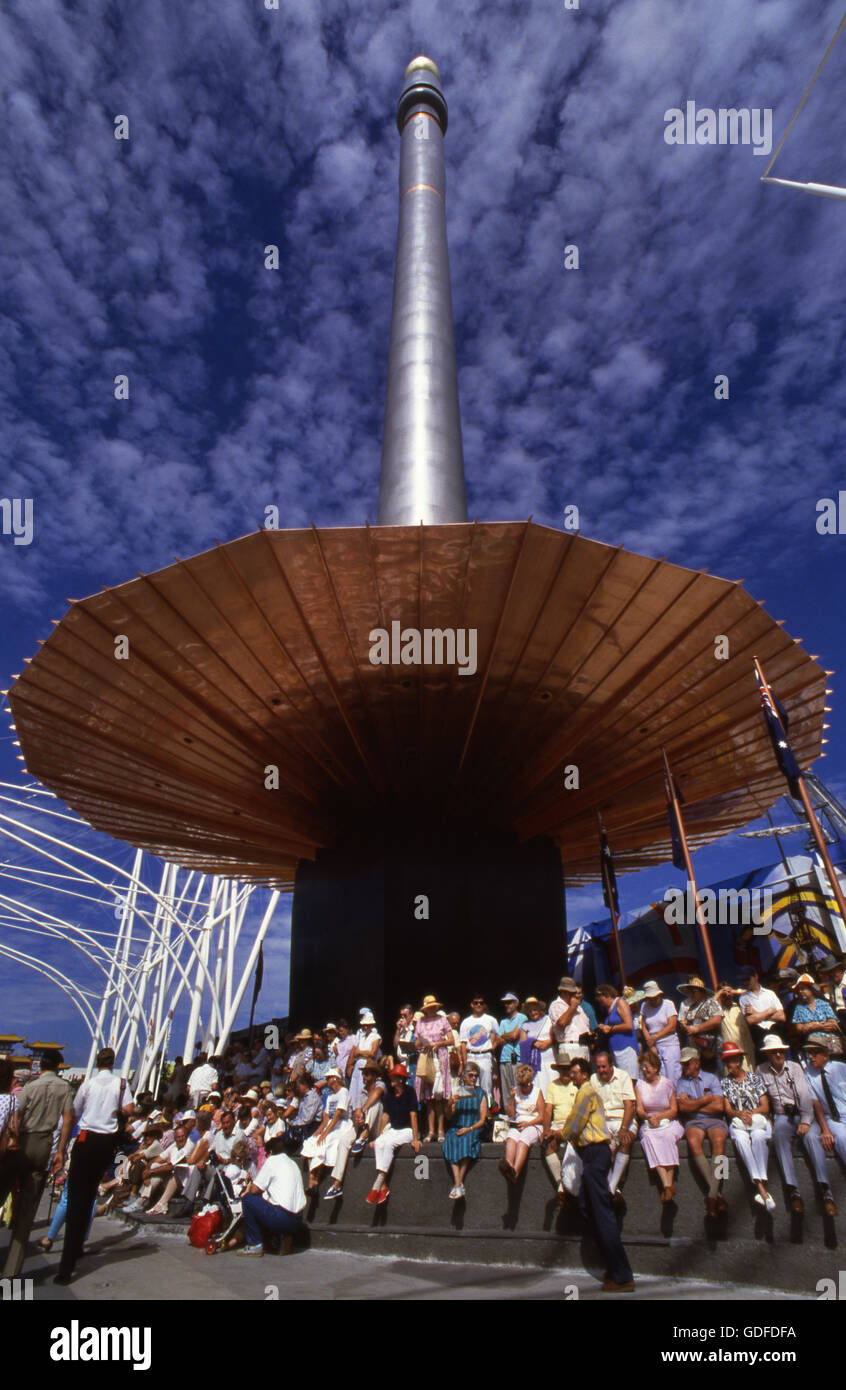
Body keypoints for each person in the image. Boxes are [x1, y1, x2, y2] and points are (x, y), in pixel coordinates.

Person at [54, 1046, 134, 1285]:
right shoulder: (121, 1084)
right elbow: (129, 1109)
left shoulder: (88, 1084)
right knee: (89, 1196)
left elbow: (76, 1111)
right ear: (113, 1062)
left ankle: (66, 1264)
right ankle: (77, 1246)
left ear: (98, 1062)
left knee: (76, 1198)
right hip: (105, 1144)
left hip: (86, 1139)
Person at [558, 1057, 635, 1293]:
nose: (571, 1076)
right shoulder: (588, 1092)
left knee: (602, 1216)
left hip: (595, 1153)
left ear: (584, 1074)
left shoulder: (585, 1092)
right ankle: (613, 1267)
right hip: (590, 1154)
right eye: (570, 1073)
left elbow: (574, 1124)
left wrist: (558, 1136)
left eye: (574, 1072)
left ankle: (622, 1276)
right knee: (586, 1206)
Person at [0, 1048, 73, 1277]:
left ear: (40, 1066)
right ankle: (10, 1279)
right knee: (26, 1216)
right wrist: (60, 1151)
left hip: (21, 1143)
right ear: (58, 1067)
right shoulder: (65, 1088)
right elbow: (69, 1119)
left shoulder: (30, 1087)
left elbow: (16, 1116)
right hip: (43, 1145)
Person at [756, 1032, 833, 1215]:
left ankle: (826, 1192)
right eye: (774, 1052)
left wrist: (806, 1121)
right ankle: (793, 1191)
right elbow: (762, 1098)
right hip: (782, 1115)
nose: (779, 1055)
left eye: (781, 1051)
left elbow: (805, 1096)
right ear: (768, 1054)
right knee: (780, 1137)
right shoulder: (761, 1070)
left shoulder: (795, 1067)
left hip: (802, 1112)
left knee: (813, 1138)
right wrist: (769, 1121)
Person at [720, 1039, 774, 1210]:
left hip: (756, 1120)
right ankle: (762, 1188)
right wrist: (740, 1114)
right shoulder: (725, 1082)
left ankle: (760, 1187)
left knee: (758, 1137)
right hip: (739, 1122)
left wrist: (751, 1114)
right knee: (742, 1140)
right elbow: (728, 1110)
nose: (729, 1064)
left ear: (739, 1061)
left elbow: (765, 1106)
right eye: (726, 1061)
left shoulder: (754, 1078)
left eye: (731, 1061)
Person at [676, 1047, 728, 1216]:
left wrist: (693, 1104)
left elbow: (720, 1106)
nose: (684, 1068)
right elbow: (682, 1107)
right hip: (694, 1121)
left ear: (696, 1063)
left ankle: (712, 1195)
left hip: (715, 1119)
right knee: (692, 1142)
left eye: (687, 1064)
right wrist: (705, 1100)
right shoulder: (681, 1082)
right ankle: (717, 1195)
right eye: (683, 1065)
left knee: (720, 1143)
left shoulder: (712, 1078)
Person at [238, 1133, 306, 1257]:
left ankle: (255, 1245)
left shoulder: (272, 1161)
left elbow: (254, 1190)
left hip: (282, 1219)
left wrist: (247, 1188)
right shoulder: (292, 1163)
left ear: (269, 1152)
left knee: (248, 1200)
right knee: (269, 1203)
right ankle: (284, 1237)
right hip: (297, 1220)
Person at [366, 1064, 421, 1205]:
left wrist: (415, 1138)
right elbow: (385, 1115)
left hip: (407, 1130)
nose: (391, 1078)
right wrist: (379, 1136)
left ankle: (376, 1185)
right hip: (394, 1129)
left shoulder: (410, 1092)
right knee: (379, 1143)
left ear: (401, 1079)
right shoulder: (390, 1093)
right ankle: (383, 1187)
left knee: (389, 1144)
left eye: (394, 1076)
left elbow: (413, 1115)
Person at [635, 1049, 684, 1203]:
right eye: (642, 1067)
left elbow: (674, 1110)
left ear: (655, 1068)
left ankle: (667, 1188)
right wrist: (649, 1117)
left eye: (647, 1067)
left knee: (668, 1137)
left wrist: (660, 1117)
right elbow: (640, 1109)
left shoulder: (667, 1084)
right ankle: (668, 1186)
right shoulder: (640, 1084)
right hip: (649, 1123)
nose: (644, 1070)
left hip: (667, 1121)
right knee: (649, 1138)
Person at [802, 1033, 846, 1202]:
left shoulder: (841, 1068)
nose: (811, 1057)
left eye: (814, 1053)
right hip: (832, 1118)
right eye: (808, 1053)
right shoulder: (808, 1073)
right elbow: (816, 1104)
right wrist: (825, 1130)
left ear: (825, 1054)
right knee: (842, 1138)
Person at [301, 1068, 355, 1197]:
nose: (327, 1081)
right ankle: (312, 1180)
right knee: (311, 1142)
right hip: (331, 1126)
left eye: (329, 1078)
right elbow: (326, 1118)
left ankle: (315, 1181)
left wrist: (325, 1134)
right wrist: (319, 1132)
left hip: (342, 1126)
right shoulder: (330, 1096)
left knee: (326, 1142)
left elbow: (338, 1115)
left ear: (335, 1078)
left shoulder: (344, 1092)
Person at [590, 1051, 636, 1201]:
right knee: (602, 1146)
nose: (601, 1070)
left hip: (623, 1119)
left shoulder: (623, 1076)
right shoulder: (593, 1079)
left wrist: (623, 1129)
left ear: (611, 1065)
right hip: (603, 1121)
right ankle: (613, 1189)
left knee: (625, 1141)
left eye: (604, 1067)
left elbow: (629, 1106)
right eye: (598, 1067)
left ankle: (611, 1187)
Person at [442, 1062, 487, 1199]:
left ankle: (457, 1185)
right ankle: (458, 1184)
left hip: (473, 1126)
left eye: (476, 1076)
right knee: (450, 1140)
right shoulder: (457, 1092)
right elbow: (448, 1116)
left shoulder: (480, 1093)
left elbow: (482, 1119)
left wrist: (469, 1128)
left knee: (467, 1140)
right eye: (471, 1075)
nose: (474, 1078)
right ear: (464, 1076)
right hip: (457, 1126)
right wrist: (450, 1104)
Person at [541, 1048, 580, 1203]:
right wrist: (546, 1130)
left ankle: (566, 1187)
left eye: (567, 1069)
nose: (565, 1072)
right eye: (562, 1069)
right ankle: (560, 1184)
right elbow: (548, 1109)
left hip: (573, 1125)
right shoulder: (552, 1086)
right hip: (557, 1124)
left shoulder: (577, 1085)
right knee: (548, 1144)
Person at [413, 996, 454, 1141]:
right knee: (428, 1098)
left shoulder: (442, 1020)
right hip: (426, 1057)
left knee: (438, 1096)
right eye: (429, 1006)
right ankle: (431, 1131)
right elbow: (417, 1042)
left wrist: (439, 1043)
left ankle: (441, 1130)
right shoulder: (420, 1021)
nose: (432, 1008)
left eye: (434, 1006)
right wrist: (420, 1044)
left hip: (439, 1056)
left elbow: (451, 1040)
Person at [499, 1063, 545, 1184]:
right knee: (511, 1138)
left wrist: (528, 1124)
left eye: (525, 1085)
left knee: (523, 1139)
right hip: (518, 1123)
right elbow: (510, 1114)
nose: (523, 1088)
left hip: (533, 1124)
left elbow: (542, 1116)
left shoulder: (537, 1092)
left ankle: (515, 1172)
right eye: (521, 1085)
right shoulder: (517, 1092)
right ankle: (508, 1168)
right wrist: (511, 1098)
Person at [639, 981, 681, 1086]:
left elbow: (672, 1026)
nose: (653, 1000)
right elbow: (643, 1026)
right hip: (655, 1045)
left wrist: (655, 1038)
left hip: (669, 1043)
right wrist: (651, 1043)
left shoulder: (668, 1004)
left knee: (672, 1075)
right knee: (660, 1076)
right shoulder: (644, 1006)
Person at [791, 973, 844, 1055]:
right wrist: (822, 1025)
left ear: (811, 989)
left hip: (829, 1045)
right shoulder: (799, 1008)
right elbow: (799, 1028)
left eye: (803, 989)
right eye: (799, 990)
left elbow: (833, 1024)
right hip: (812, 1045)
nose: (800, 992)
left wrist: (815, 1025)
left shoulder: (823, 1004)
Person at [677, 977, 723, 1069]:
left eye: (694, 991)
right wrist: (684, 1026)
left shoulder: (711, 1003)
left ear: (701, 992)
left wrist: (697, 1029)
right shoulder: (688, 1006)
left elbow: (717, 1020)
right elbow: (683, 1026)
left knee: (718, 1074)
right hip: (696, 1050)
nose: (691, 994)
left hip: (712, 1048)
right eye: (690, 991)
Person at [458, 996, 498, 1102]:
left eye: (481, 1002)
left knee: (486, 1088)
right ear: (472, 1004)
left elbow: (498, 1036)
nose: (479, 1005)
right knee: (469, 1087)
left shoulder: (491, 1020)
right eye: (476, 1003)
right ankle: (471, 1113)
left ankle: (487, 1114)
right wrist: (465, 1061)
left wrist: (492, 1047)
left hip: (485, 1056)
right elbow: (463, 1044)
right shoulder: (466, 1022)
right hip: (471, 1055)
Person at [738, 967, 785, 1057]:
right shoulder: (743, 998)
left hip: (775, 1029)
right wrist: (769, 1011)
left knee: (780, 1057)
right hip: (758, 1033)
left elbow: (781, 1016)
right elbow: (750, 1021)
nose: (746, 982)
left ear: (756, 976)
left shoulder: (770, 993)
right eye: (744, 980)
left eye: (748, 979)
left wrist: (756, 1013)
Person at [595, 985, 638, 1080]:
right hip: (615, 1050)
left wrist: (610, 1029)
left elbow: (629, 1025)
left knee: (629, 1080)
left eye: (602, 1001)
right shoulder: (609, 1010)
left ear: (607, 995)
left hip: (626, 1049)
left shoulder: (620, 1003)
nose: (601, 1004)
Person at [495, 992, 527, 1112]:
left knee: (517, 1090)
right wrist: (505, 1037)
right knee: (506, 1091)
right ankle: (509, 1117)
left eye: (509, 1002)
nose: (507, 1005)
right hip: (504, 1059)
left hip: (516, 1059)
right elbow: (498, 1040)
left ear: (516, 1003)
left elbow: (514, 1035)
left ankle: (520, 1114)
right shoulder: (503, 1021)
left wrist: (504, 1036)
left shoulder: (522, 1017)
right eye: (505, 1003)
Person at [548, 977, 591, 1063]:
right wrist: (572, 1007)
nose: (574, 995)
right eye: (571, 993)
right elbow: (562, 1023)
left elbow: (586, 1025)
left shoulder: (579, 1007)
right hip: (569, 1047)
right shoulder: (556, 1005)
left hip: (584, 1046)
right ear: (563, 992)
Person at [714, 982, 755, 1071]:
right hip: (730, 1055)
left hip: (746, 1052)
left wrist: (734, 991)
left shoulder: (739, 1006)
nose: (727, 995)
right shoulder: (718, 1010)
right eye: (724, 994)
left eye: (729, 993)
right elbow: (710, 1005)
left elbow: (751, 991)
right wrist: (720, 993)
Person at [348, 1014, 381, 1110]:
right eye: (364, 1025)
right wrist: (363, 1053)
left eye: (368, 1025)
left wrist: (360, 1053)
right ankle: (353, 1111)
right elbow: (355, 1053)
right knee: (354, 1089)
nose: (365, 1027)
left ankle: (362, 1110)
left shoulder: (375, 1037)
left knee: (362, 1088)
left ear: (371, 1025)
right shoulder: (361, 1037)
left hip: (367, 1065)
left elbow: (372, 1053)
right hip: (358, 1065)